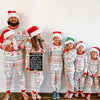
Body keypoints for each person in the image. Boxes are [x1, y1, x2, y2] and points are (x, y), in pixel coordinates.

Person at [0, 10, 29, 100]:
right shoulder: (3, 29)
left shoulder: (23, 30)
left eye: (15, 17)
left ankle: (23, 92)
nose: (13, 19)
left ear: (17, 19)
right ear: (9, 19)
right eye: (11, 18)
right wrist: (5, 48)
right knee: (8, 76)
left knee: (21, 75)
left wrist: (20, 47)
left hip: (19, 58)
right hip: (7, 58)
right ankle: (7, 93)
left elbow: (25, 41)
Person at [25, 26, 46, 100]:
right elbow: (27, 55)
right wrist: (27, 65)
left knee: (37, 79)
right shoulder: (28, 43)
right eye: (38, 34)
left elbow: (44, 50)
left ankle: (34, 92)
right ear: (34, 35)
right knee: (39, 78)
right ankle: (34, 92)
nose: (40, 35)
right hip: (33, 62)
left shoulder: (40, 42)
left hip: (40, 62)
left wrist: (42, 51)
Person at [48, 31, 63, 99]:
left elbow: (64, 56)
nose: (57, 39)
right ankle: (54, 91)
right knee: (52, 79)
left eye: (58, 38)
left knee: (58, 79)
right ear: (53, 38)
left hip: (60, 65)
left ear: (60, 39)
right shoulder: (51, 47)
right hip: (52, 65)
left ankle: (57, 91)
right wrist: (51, 62)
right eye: (55, 38)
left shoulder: (62, 47)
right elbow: (49, 56)